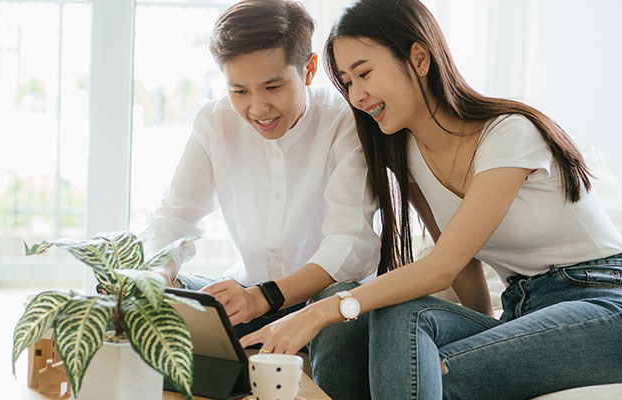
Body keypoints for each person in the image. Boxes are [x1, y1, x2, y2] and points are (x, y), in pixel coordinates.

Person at [239, 0, 622, 399]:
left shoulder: (509, 133)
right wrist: (486, 333)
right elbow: (462, 264)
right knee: (399, 314)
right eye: (347, 82)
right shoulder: (408, 156)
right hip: (522, 310)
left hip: (606, 306)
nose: (356, 96)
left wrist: (320, 311)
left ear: (419, 58)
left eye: (364, 74)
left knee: (413, 368)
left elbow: (440, 267)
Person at [138, 1, 445, 396]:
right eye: (238, 90)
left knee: (338, 304)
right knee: (168, 297)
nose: (257, 107)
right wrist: (156, 275)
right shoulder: (214, 124)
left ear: (309, 69)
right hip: (250, 293)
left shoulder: (345, 122)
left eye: (272, 86)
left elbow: (347, 243)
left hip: (330, 301)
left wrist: (263, 298)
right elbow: (175, 218)